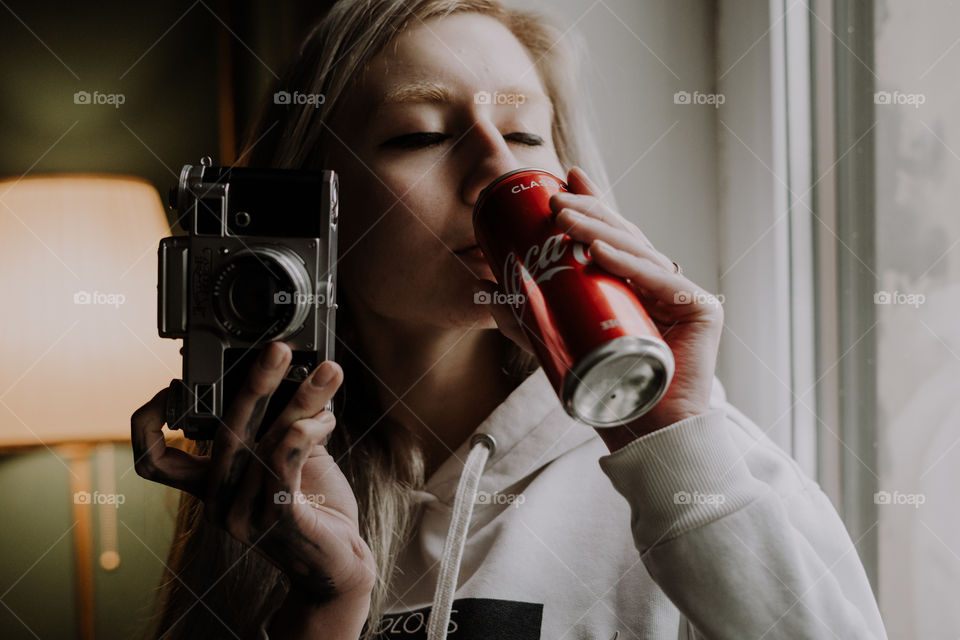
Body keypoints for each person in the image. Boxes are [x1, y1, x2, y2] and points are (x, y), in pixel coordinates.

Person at [130, 1, 889, 638]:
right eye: (421, 136)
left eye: (525, 135)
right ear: (316, 207)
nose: (499, 169)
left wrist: (672, 449)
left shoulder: (686, 457)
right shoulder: (271, 495)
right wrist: (326, 607)